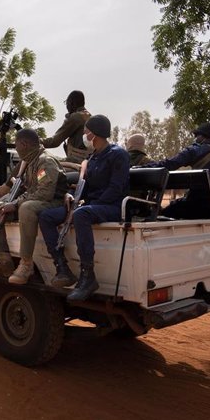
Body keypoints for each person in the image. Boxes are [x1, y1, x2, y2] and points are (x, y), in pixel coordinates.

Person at [38, 115, 129, 300]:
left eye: (86, 132)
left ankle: (88, 276)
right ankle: (61, 266)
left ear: (94, 134)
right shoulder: (92, 157)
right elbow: (85, 185)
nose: (84, 135)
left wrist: (88, 205)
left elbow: (115, 188)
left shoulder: (118, 154)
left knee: (81, 215)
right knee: (46, 216)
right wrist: (72, 196)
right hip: (90, 205)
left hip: (111, 205)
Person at [0, 128, 69, 284]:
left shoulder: (45, 161)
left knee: (26, 208)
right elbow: (30, 190)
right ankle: (3, 259)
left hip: (53, 202)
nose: (16, 149)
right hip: (37, 199)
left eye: (16, 145)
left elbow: (44, 193)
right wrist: (8, 201)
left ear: (24, 144)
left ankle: (26, 264)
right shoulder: (31, 162)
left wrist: (15, 204)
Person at [41, 90, 92, 163]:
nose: (67, 106)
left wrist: (33, 141)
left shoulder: (76, 117)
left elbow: (54, 141)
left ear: (71, 103)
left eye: (67, 103)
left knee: (46, 165)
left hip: (77, 160)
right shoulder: (88, 116)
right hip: (87, 159)